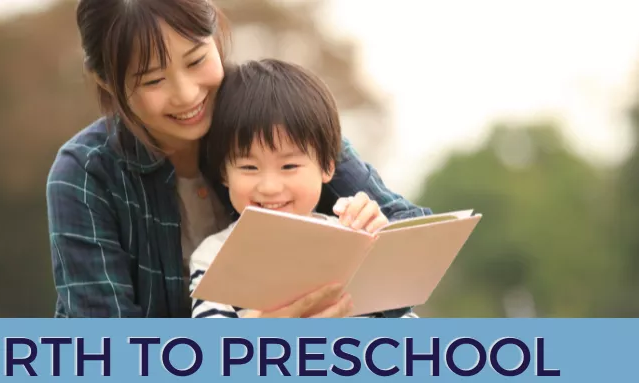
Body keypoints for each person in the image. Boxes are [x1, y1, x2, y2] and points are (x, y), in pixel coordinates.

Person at [46, 0, 432, 318]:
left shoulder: (273, 118)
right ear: (107, 83)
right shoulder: (85, 174)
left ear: (216, 36)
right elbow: (103, 355)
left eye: (196, 60)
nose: (186, 94)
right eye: (152, 80)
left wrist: (374, 230)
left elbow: (416, 241)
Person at [190, 59, 419, 318]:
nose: (269, 186)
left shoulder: (351, 241)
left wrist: (381, 247)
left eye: (288, 166)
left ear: (327, 167)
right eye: (249, 168)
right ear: (224, 173)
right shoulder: (214, 257)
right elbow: (209, 348)